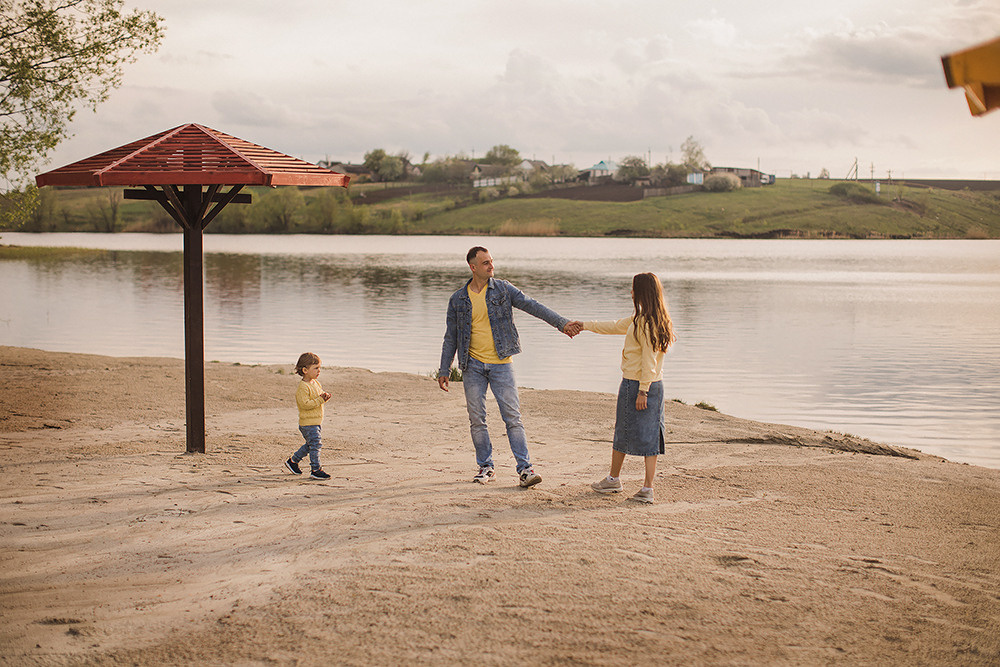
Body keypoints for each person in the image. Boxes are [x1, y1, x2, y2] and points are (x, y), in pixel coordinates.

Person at [439, 246, 578, 487]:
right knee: (477, 419)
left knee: (512, 417)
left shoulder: (503, 289)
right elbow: (450, 336)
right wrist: (444, 369)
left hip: (502, 363)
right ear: (473, 267)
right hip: (472, 366)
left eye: (491, 261)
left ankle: (525, 469)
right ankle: (486, 467)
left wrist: (562, 324)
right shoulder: (458, 299)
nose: (491, 266)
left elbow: (534, 306)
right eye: (485, 263)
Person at [568, 272, 676, 504]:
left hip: (638, 385)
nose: (631, 292)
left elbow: (648, 360)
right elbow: (615, 326)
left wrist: (642, 391)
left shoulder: (645, 323)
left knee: (624, 431)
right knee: (651, 437)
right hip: (653, 385)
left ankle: (619, 481)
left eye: (634, 289)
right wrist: (584, 325)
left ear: (643, 292)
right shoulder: (646, 319)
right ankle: (640, 486)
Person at [284, 352, 332, 480]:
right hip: (307, 423)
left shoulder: (316, 383)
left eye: (319, 368)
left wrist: (324, 396)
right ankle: (315, 469)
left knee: (310, 445)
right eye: (315, 368)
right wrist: (320, 400)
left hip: (316, 421)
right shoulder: (303, 387)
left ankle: (293, 461)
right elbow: (305, 404)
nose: (319, 371)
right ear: (305, 370)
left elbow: (319, 395)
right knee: (316, 444)